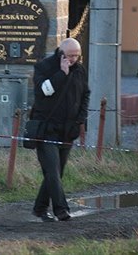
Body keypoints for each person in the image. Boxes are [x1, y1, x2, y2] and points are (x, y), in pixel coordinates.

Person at [31, 38, 90, 221]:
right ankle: (61, 210)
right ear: (61, 53)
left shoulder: (80, 69)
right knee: (52, 170)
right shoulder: (44, 67)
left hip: (68, 130)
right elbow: (43, 91)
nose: (73, 59)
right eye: (70, 56)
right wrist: (61, 74)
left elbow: (85, 94)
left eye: (76, 56)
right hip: (46, 128)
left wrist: (80, 119)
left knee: (58, 171)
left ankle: (40, 208)